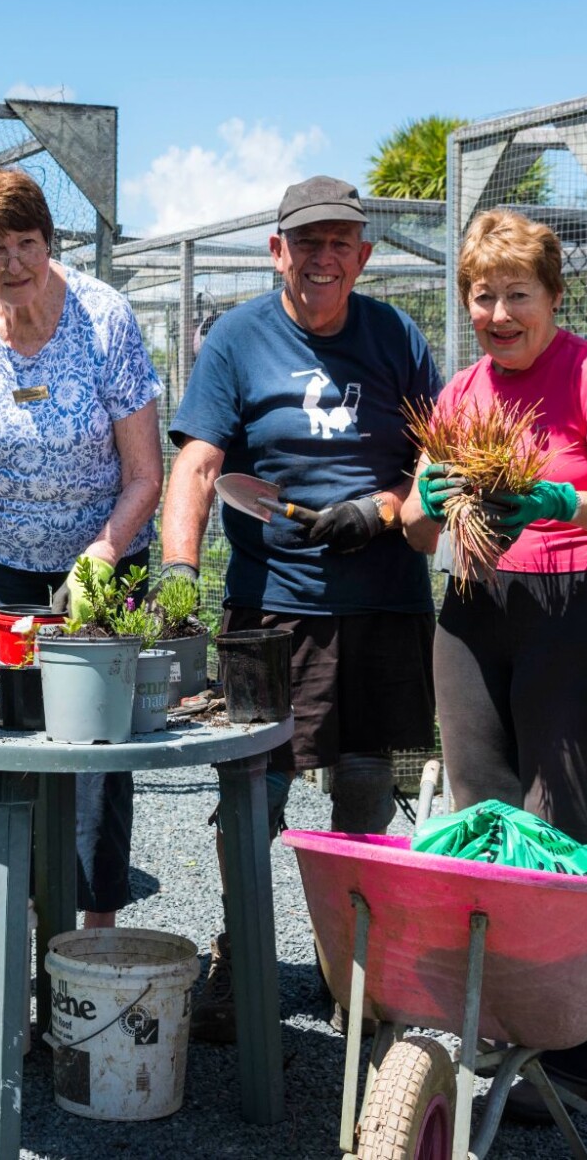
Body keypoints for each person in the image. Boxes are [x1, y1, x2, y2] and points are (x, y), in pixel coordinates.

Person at [161, 175, 442, 1040]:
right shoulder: (237, 339)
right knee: (255, 790)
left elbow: (444, 461)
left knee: (363, 788)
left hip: (383, 603)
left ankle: (358, 970)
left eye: (340, 243)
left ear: (362, 256)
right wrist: (177, 569)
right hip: (270, 609)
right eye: (306, 241)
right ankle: (242, 957)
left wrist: (382, 509)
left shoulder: (396, 336)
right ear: (277, 250)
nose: (324, 257)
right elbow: (200, 465)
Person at [419, 207, 587, 1114]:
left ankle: (564, 1059)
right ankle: (490, 1035)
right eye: (482, 296)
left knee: (554, 829)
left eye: (517, 295)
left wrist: (566, 497)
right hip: (475, 613)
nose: (497, 313)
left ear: (554, 298)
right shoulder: (458, 395)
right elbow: (417, 530)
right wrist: (424, 499)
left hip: (579, 611)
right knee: (480, 822)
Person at [0, 168, 164, 927]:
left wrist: (104, 552)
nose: (15, 263)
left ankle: (93, 940)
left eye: (28, 243)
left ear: (50, 242)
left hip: (100, 555)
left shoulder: (105, 318)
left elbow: (146, 473)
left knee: (95, 755)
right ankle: (1, 926)